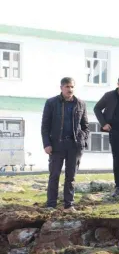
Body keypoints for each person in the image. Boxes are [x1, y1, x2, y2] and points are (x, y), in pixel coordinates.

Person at [41, 77, 89, 211]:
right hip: (57, 145)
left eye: (72, 87)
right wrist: (47, 144)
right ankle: (51, 204)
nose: (70, 89)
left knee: (71, 176)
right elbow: (45, 126)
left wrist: (83, 140)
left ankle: (69, 204)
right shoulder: (51, 103)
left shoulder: (80, 104)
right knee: (54, 175)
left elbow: (85, 126)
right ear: (61, 88)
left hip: (74, 146)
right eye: (67, 87)